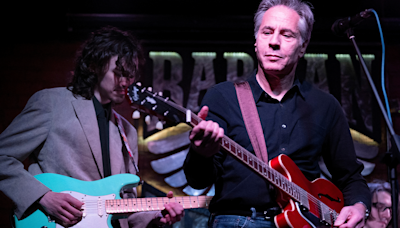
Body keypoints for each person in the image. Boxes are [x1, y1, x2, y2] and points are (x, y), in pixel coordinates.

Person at [183, 0, 371, 227]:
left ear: (303, 45)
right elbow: (198, 180)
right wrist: (201, 153)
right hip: (238, 220)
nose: (274, 42)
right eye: (267, 32)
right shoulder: (223, 97)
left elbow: (350, 177)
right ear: (256, 41)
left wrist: (359, 205)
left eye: (287, 35)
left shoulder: (325, 106)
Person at [0, 26, 184, 228]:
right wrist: (43, 197)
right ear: (94, 65)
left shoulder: (128, 133)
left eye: (130, 75)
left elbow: (124, 210)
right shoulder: (51, 103)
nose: (125, 82)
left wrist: (157, 217)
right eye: (118, 73)